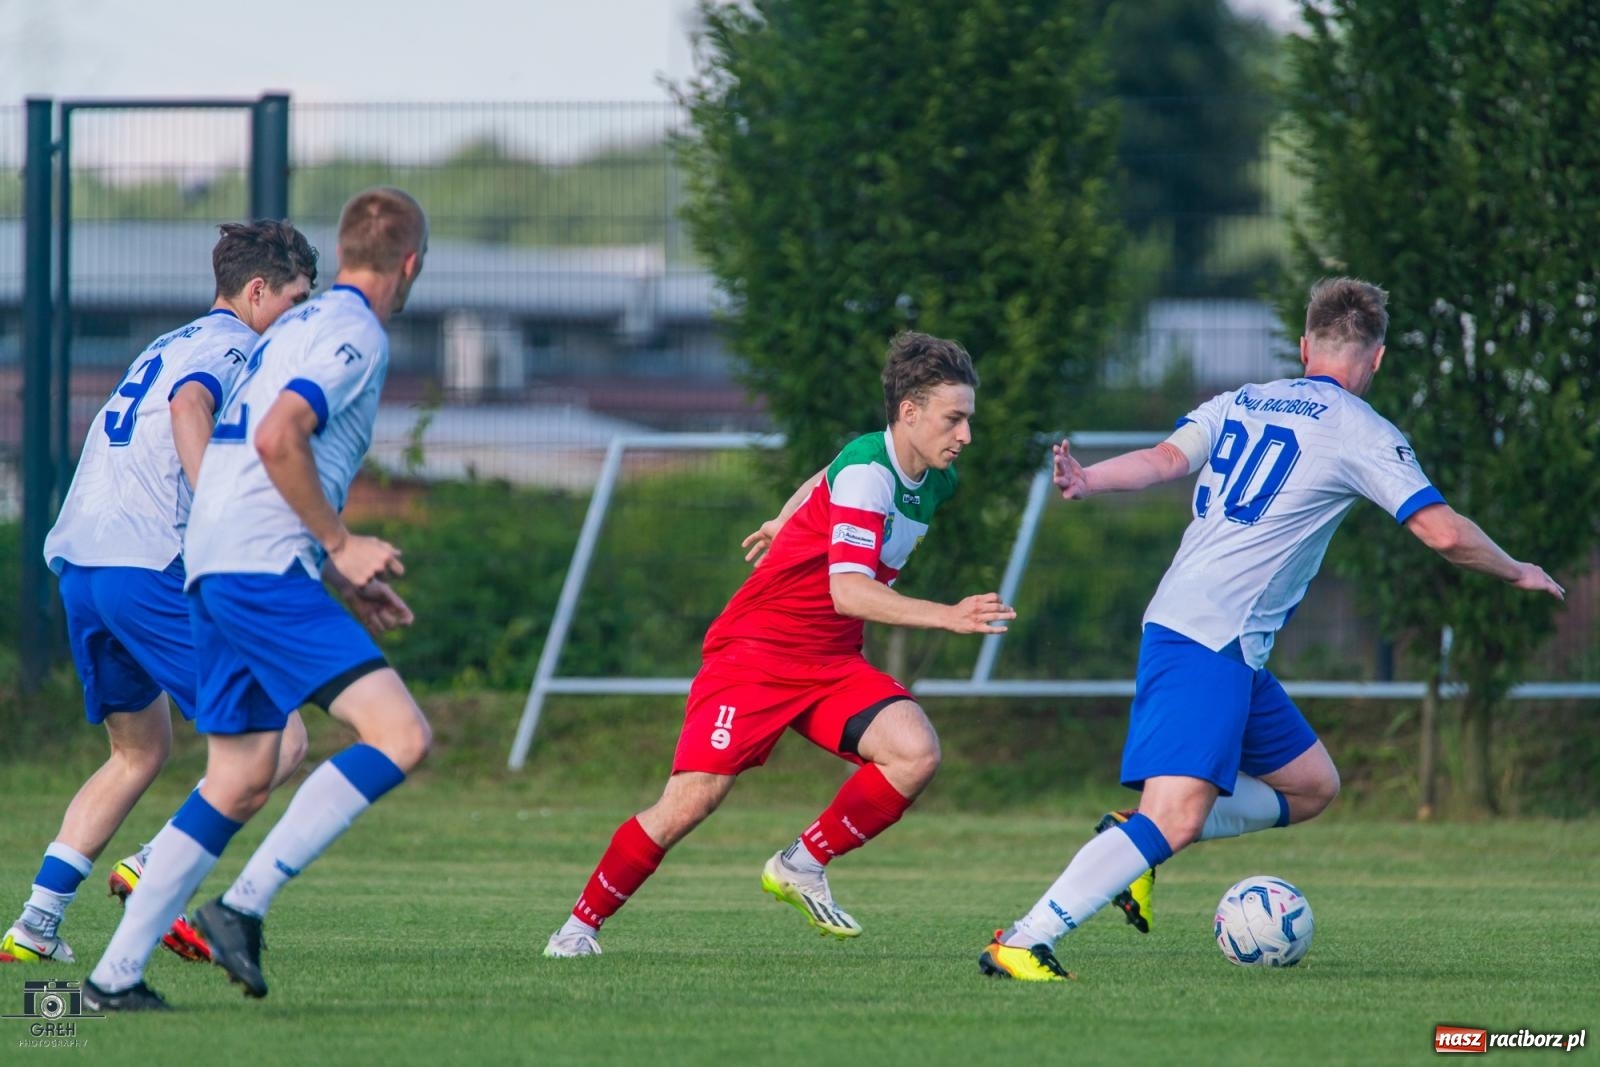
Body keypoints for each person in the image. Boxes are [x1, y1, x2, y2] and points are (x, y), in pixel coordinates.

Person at [978, 277, 1566, 981]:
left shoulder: (1242, 400)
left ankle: (1134, 839)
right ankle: (1025, 936)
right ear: (1376, 360)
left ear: (1304, 345)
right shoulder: (1360, 428)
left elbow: (1167, 459)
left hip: (1221, 641)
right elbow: (1440, 532)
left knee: (1313, 784)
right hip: (1207, 636)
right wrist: (1516, 568)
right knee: (1175, 817)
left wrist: (1090, 479)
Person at [544, 331, 1016, 958]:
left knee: (914, 752)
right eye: (954, 419)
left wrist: (787, 514)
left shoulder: (929, 479)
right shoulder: (871, 476)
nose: (966, 435)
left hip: (830, 661)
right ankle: (576, 929)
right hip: (756, 654)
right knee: (690, 801)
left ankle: (800, 864)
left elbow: (829, 470)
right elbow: (849, 589)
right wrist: (947, 616)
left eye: (968, 420)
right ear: (910, 411)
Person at [82, 187, 431, 1011]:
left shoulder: (292, 326)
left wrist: (341, 570)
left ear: (346, 253)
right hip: (258, 564)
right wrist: (341, 543)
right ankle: (241, 906)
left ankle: (108, 979)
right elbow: (279, 437)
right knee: (402, 734)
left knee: (237, 778)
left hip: (210, 556)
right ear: (410, 264)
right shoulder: (351, 330)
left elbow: (252, 449)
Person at [1, 222, 319, 967]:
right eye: (299, 299)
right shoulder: (236, 347)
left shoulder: (170, 340)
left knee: (139, 749)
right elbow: (187, 409)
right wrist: (223, 514)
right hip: (148, 565)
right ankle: (154, 862)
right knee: (285, 736)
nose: (304, 315)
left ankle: (35, 923)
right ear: (257, 291)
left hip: (83, 565)